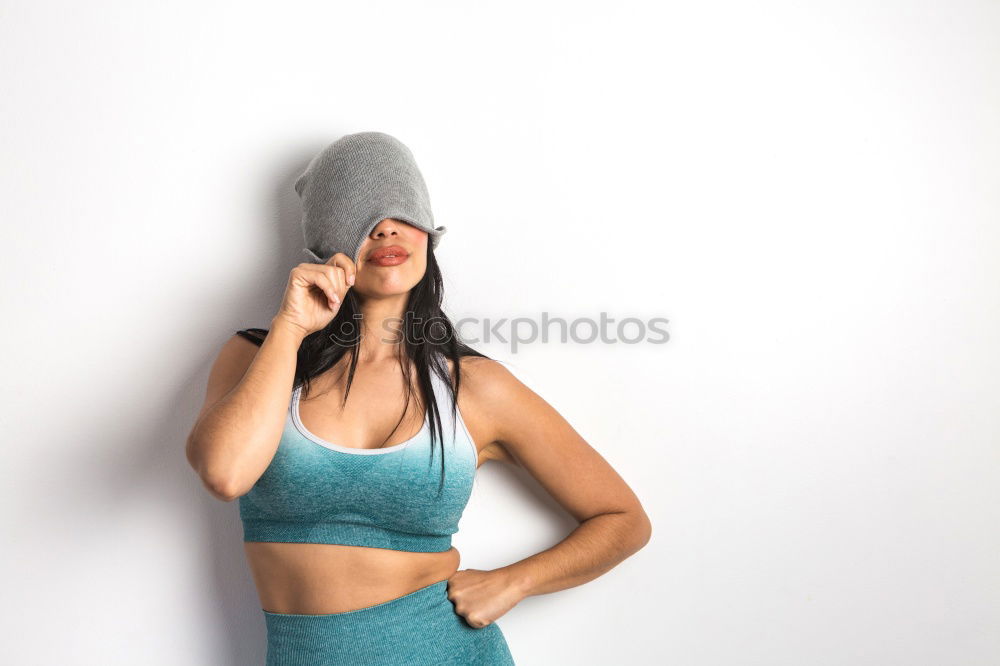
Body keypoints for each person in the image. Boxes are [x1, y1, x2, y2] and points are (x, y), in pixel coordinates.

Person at [185, 131, 652, 665]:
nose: (385, 226)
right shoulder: (258, 357)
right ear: (324, 244)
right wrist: (291, 327)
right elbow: (225, 474)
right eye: (359, 215)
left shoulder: (473, 386)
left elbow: (623, 518)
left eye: (402, 211)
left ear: (428, 233)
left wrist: (514, 582)